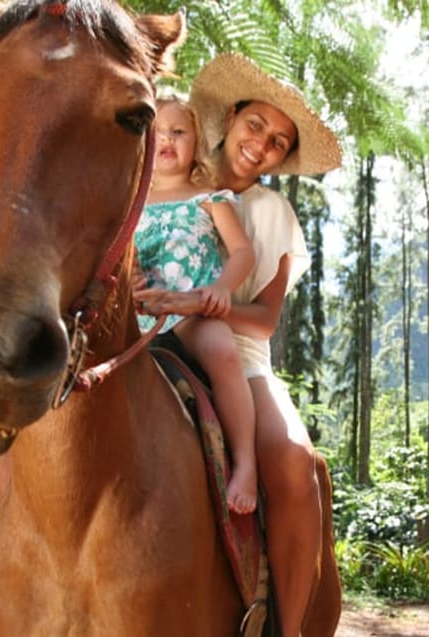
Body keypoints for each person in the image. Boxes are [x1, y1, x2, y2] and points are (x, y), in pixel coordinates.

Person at [135, 52, 342, 636]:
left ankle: (289, 627)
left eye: (279, 142)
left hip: (232, 348)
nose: (262, 144)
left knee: (295, 464)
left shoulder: (267, 209)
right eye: (257, 125)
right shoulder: (156, 180)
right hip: (141, 331)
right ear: (230, 118)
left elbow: (265, 319)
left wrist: (200, 301)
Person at [134, 94, 259, 514]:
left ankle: (246, 462)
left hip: (193, 310)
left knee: (223, 353)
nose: (166, 139)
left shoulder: (209, 196)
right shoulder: (129, 201)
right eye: (157, 133)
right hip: (138, 314)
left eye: (178, 132)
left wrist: (223, 287)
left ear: (197, 144)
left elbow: (242, 252)